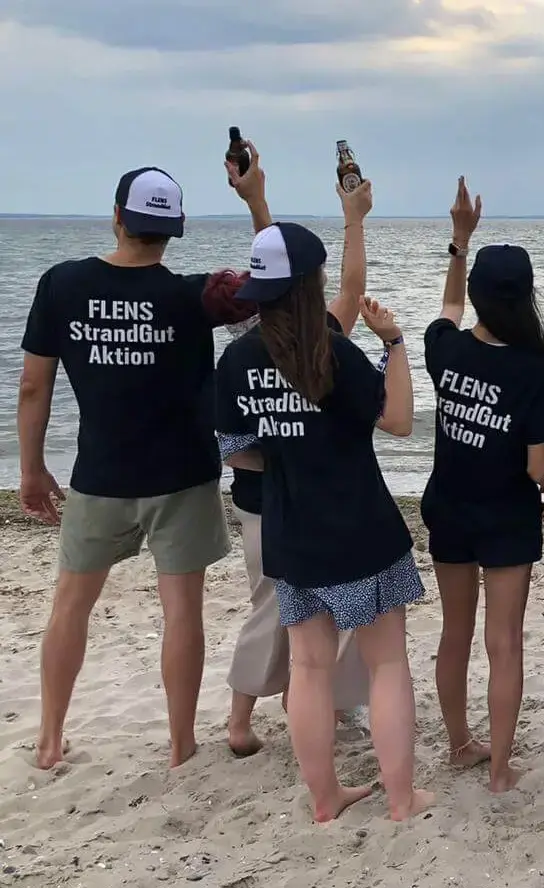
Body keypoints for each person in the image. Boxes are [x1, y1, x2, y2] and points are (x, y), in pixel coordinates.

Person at [20, 163, 258, 769]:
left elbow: (32, 387)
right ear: (173, 230)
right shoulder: (194, 295)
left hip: (100, 473)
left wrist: (31, 468)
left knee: (71, 603)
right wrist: (256, 200)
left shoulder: (61, 284)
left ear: (118, 216)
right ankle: (180, 745)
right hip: (182, 474)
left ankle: (49, 737)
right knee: (182, 610)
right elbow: (277, 280)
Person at [214, 221, 430, 823]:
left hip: (289, 528)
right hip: (360, 527)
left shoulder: (239, 357)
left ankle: (324, 799)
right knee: (387, 661)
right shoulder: (333, 353)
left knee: (307, 669)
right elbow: (398, 420)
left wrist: (290, 456)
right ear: (312, 284)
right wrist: (394, 343)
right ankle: (400, 798)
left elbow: (235, 449)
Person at [218, 140, 373, 758]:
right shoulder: (322, 343)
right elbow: (347, 286)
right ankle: (323, 709)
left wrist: (257, 200)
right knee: (330, 608)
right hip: (306, 497)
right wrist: (355, 221)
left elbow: (275, 265)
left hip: (257, 499)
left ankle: (239, 718)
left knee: (270, 605)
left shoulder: (245, 344)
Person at [423, 178, 544, 793]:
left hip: (449, 508)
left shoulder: (445, 349)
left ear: (481, 295)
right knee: (504, 641)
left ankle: (459, 745)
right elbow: (538, 466)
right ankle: (501, 769)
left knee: (455, 632)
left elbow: (447, 310)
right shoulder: (536, 368)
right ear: (527, 297)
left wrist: (459, 240)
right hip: (506, 515)